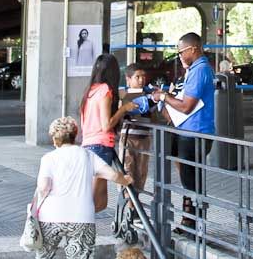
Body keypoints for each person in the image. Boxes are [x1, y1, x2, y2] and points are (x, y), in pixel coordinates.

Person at [33, 116, 133, 259]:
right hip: (81, 218)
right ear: (76, 135)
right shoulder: (88, 155)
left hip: (50, 217)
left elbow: (43, 187)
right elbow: (112, 175)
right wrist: (125, 180)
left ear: (54, 139)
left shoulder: (48, 158)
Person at [151, 32, 215, 230]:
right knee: (188, 179)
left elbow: (186, 106)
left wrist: (164, 97)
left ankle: (193, 224)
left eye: (181, 52)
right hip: (187, 131)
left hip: (195, 133)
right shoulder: (194, 70)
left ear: (193, 49)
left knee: (191, 181)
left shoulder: (200, 70)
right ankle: (189, 222)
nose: (179, 56)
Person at [79, 53, 136, 208]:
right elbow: (106, 124)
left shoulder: (90, 90)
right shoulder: (105, 90)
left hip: (88, 145)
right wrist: (124, 108)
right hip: (101, 147)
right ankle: (76, 221)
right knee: (93, 202)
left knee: (101, 202)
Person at [121, 64, 156, 202]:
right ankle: (129, 204)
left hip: (144, 138)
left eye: (143, 77)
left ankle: (135, 203)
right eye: (137, 77)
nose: (141, 80)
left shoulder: (148, 95)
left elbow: (153, 116)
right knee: (127, 169)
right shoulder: (124, 94)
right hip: (128, 138)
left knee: (141, 172)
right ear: (128, 79)